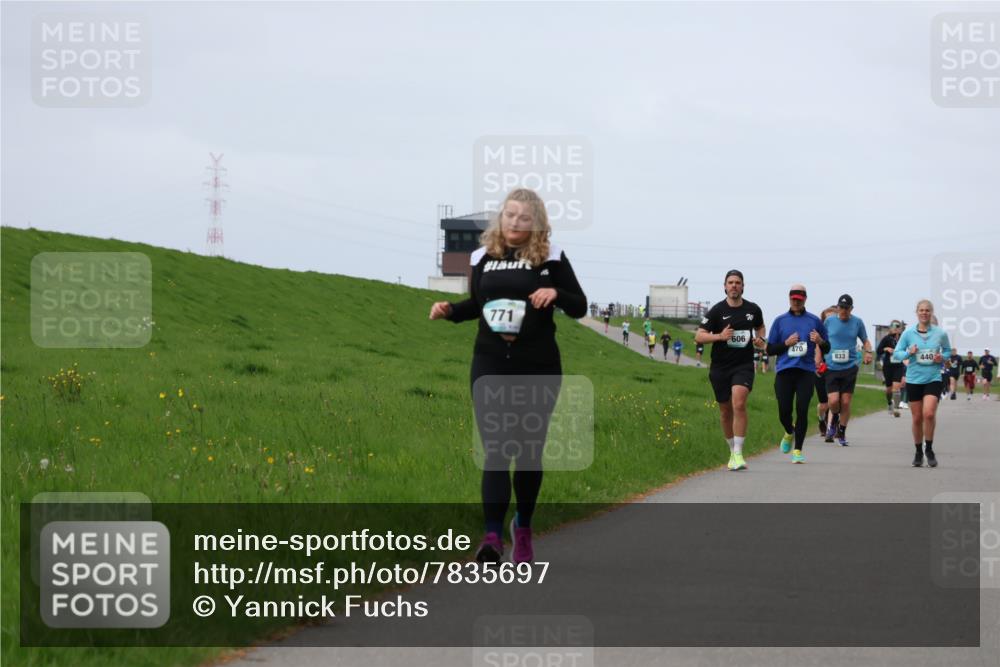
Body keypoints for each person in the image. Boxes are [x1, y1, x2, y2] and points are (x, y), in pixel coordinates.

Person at [429, 188, 587, 563]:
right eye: (510, 215)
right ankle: (491, 537)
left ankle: (525, 527)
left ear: (537, 225)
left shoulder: (550, 258)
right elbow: (478, 305)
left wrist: (555, 293)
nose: (515, 223)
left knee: (529, 452)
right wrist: (450, 310)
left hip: (538, 365)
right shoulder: (482, 257)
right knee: (497, 450)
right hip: (491, 362)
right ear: (501, 218)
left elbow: (579, 305)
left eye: (524, 218)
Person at [694, 269, 766, 471]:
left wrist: (761, 338)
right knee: (725, 411)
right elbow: (699, 336)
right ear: (725, 286)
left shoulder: (753, 309)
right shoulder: (716, 311)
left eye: (737, 282)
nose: (734, 285)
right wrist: (719, 336)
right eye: (730, 282)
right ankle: (731, 450)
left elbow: (760, 327)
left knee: (739, 402)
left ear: (743, 286)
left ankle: (738, 453)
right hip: (720, 367)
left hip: (743, 366)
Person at [767, 284, 830, 464]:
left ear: (804, 300)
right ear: (789, 298)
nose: (796, 302)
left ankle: (798, 450)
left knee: (802, 410)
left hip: (806, 372)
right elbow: (770, 349)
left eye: (799, 300)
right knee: (783, 411)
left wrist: (819, 341)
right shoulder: (780, 321)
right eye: (793, 299)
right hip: (785, 372)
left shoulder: (814, 321)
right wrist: (786, 343)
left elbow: (827, 347)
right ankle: (789, 431)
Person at [891, 299, 951, 467]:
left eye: (927, 310)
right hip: (914, 379)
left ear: (931, 313)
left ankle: (929, 449)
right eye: (921, 310)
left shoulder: (940, 333)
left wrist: (942, 357)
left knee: (929, 414)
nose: (924, 313)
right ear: (917, 312)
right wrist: (909, 352)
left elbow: (947, 351)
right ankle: (918, 451)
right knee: (917, 418)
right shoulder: (908, 333)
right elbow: (897, 354)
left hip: (933, 378)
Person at [822, 294, 873, 446]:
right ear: (837, 307)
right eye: (840, 307)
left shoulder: (857, 322)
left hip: (850, 366)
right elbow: (821, 341)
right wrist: (818, 357)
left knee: (845, 401)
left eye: (846, 308)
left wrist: (868, 352)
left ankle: (842, 432)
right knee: (833, 400)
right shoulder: (829, 321)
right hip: (831, 366)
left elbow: (865, 340)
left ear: (851, 309)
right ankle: (834, 419)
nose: (843, 310)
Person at [815, 306, 839, 434]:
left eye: (833, 317)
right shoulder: (819, 335)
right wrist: (817, 365)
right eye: (827, 318)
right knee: (824, 404)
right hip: (822, 369)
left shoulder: (840, 333)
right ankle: (821, 419)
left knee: (834, 400)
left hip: (836, 370)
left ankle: (832, 427)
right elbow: (817, 350)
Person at [877, 320, 905, 417]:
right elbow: (878, 350)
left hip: (898, 366)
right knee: (889, 389)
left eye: (898, 326)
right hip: (888, 366)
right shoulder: (886, 339)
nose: (896, 328)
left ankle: (896, 409)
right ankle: (889, 403)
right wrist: (886, 349)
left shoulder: (903, 339)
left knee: (896, 387)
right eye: (894, 326)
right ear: (891, 328)